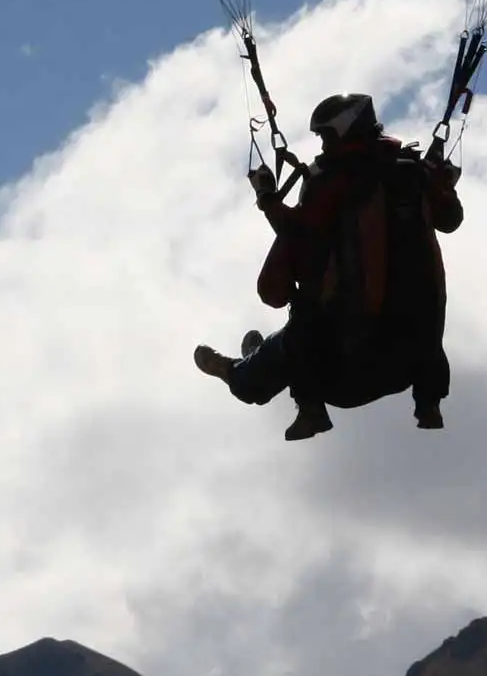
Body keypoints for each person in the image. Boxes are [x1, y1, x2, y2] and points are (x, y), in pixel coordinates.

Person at [194, 92, 464, 440]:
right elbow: (451, 219)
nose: (321, 145)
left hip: (347, 366)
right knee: (408, 302)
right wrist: (445, 186)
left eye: (324, 136)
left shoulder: (333, 184)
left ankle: (250, 378)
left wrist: (266, 199)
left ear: (342, 132)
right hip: (414, 361)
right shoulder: (414, 174)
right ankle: (429, 405)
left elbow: (285, 267)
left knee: (289, 342)